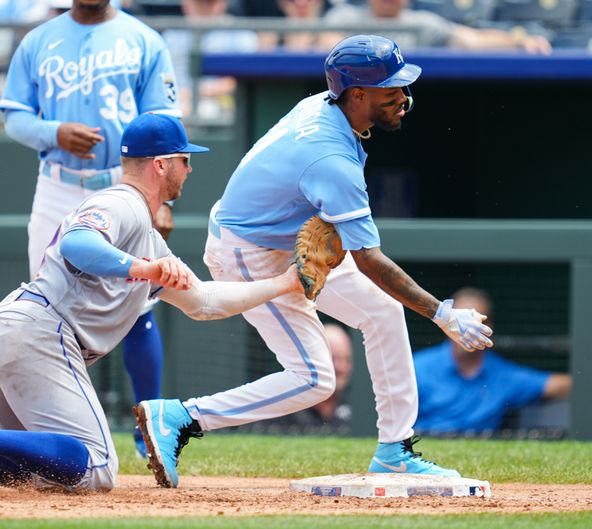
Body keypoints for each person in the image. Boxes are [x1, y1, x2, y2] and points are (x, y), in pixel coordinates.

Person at [0, 113, 305, 494]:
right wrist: (141, 269)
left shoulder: (146, 236)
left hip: (2, 334)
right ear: (161, 164)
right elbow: (77, 243)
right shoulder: (123, 203)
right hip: (37, 332)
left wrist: (284, 283)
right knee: (98, 468)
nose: (190, 170)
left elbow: (206, 302)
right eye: (186, 161)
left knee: (47, 473)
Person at [133, 35, 494, 489]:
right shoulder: (330, 158)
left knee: (383, 311)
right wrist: (442, 313)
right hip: (249, 252)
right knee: (314, 379)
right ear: (357, 94)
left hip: (278, 236)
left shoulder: (327, 107)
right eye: (391, 89)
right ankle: (182, 417)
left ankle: (395, 450)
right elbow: (369, 261)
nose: (403, 98)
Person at [0, 0, 181, 458]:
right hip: (58, 185)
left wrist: (165, 198)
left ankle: (149, 429)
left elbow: (164, 125)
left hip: (123, 188)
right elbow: (14, 116)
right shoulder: (39, 40)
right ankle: (52, 427)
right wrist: (54, 132)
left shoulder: (143, 39)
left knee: (139, 306)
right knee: (50, 309)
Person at [414, 287, 572, 433]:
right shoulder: (417, 368)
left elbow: (558, 385)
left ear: (488, 327)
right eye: (459, 321)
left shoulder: (502, 375)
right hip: (426, 450)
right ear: (445, 325)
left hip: (478, 452)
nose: (466, 329)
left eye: (475, 322)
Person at [322, 0, 552, 54]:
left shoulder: (422, 22)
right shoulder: (343, 16)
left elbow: (470, 39)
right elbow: (326, 51)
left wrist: (519, 40)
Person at [162, 0, 262, 120]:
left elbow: (239, 82)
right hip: (176, 101)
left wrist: (192, 93)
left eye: (209, 3)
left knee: (204, 110)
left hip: (221, 103)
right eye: (198, 3)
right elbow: (164, 79)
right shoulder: (172, 35)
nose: (203, 9)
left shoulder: (241, 34)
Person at [258, 0, 343, 51]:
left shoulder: (330, 35)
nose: (300, 3)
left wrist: (310, 21)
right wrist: (293, 20)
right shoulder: (269, 35)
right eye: (292, 0)